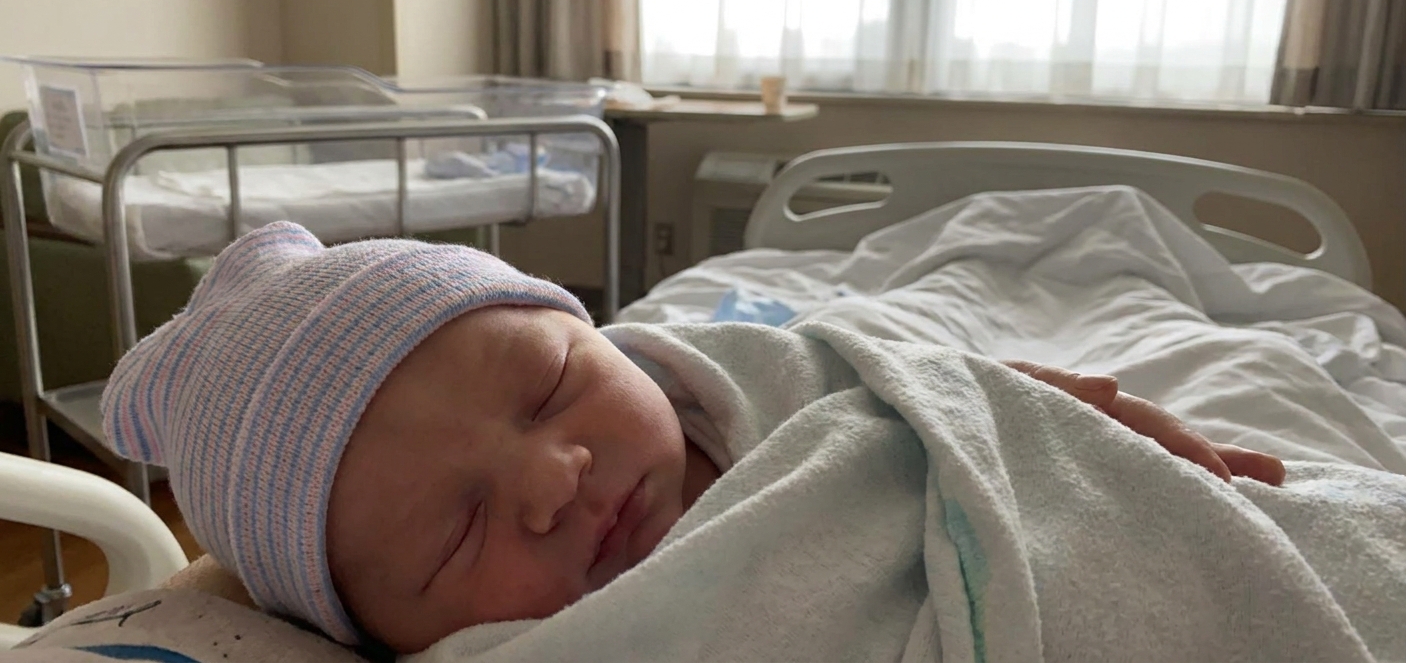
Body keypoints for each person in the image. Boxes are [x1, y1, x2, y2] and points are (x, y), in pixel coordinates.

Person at [100, 222, 1285, 655]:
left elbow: (938, 389)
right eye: (458, 529)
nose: (553, 478)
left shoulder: (746, 380)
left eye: (551, 388)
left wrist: (1049, 409)